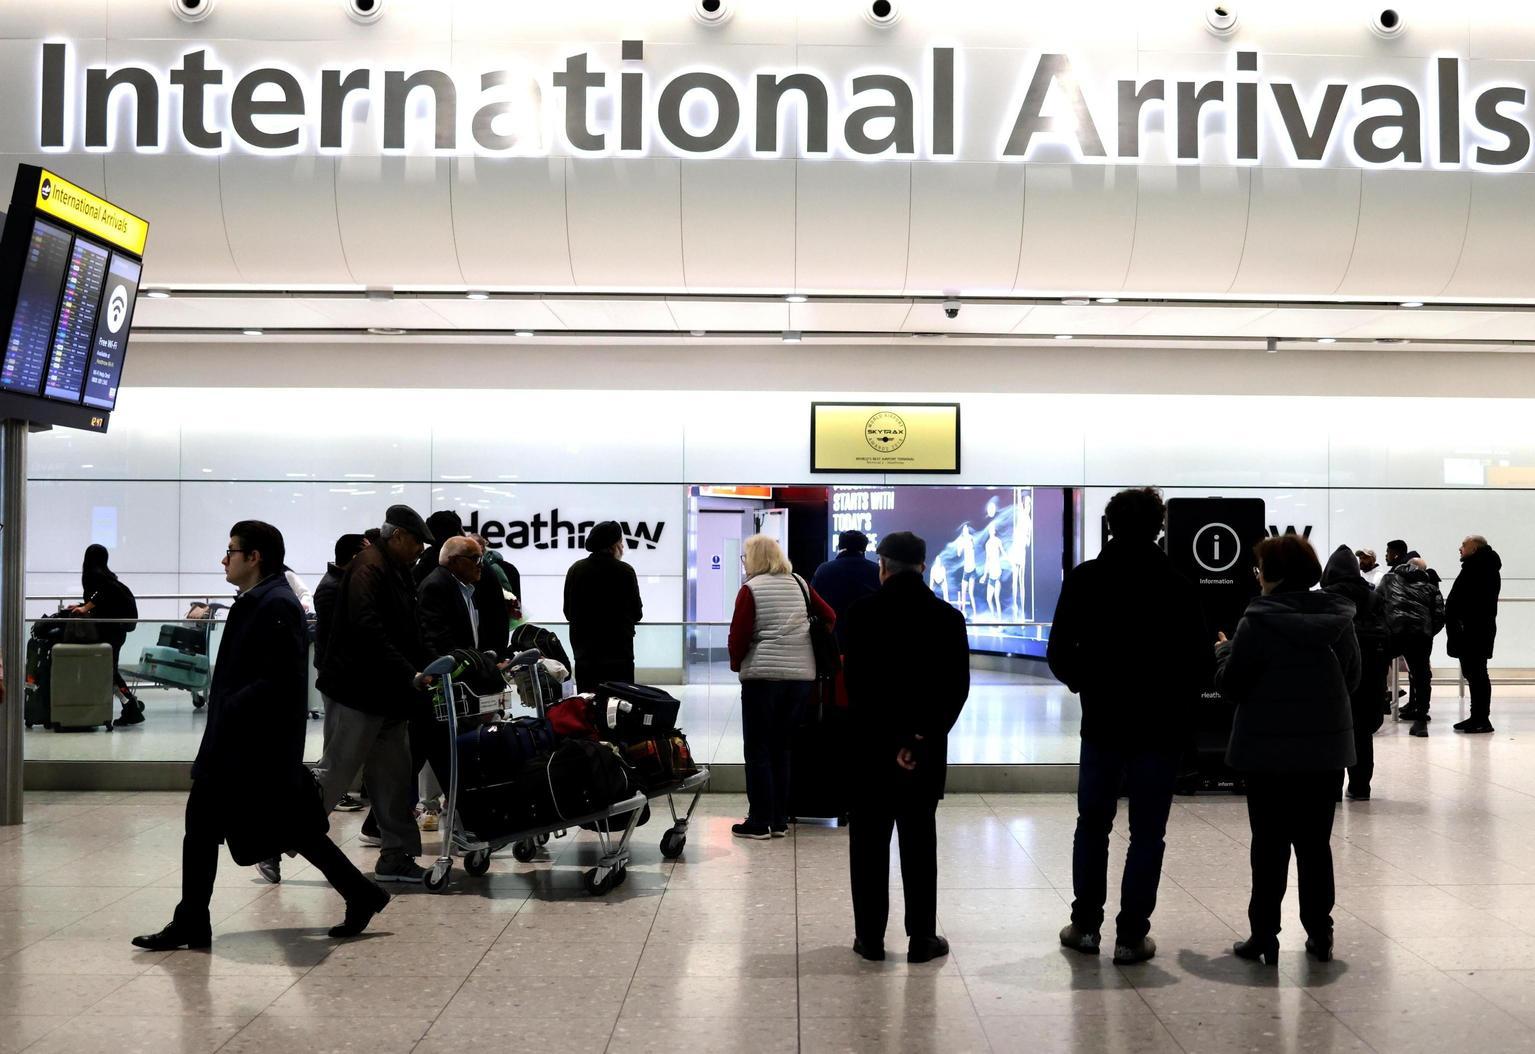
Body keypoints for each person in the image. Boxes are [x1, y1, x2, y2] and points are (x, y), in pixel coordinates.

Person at [131, 521, 389, 951]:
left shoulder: (275, 604)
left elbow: (280, 680)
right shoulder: (258, 600)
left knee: (280, 829)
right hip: (241, 745)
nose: (224, 558)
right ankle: (194, 919)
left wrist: (231, 709)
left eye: (231, 550)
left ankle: (359, 894)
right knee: (245, 828)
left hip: (249, 749)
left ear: (254, 557)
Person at [1049, 487, 1211, 966]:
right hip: (1160, 729)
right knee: (1147, 833)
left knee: (1092, 826)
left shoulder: (1085, 580)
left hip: (1102, 725)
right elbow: (1201, 664)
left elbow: (1059, 652)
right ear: (1159, 528)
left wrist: (1088, 682)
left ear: (1110, 525)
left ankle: (1084, 926)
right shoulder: (1179, 586)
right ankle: (1131, 935)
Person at [273, 504, 435, 886]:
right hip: (358, 691)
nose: (420, 550)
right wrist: (408, 671)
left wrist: (426, 664)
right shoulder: (369, 567)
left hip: (389, 694)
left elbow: (407, 628)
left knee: (393, 776)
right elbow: (367, 629)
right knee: (335, 774)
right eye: (416, 542)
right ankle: (273, 843)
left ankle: (395, 855)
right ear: (397, 536)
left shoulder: (395, 568)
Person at [1217, 535, 1359, 966]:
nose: (1257, 577)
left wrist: (1222, 651)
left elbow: (1232, 685)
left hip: (1267, 752)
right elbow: (1351, 679)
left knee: (1270, 845)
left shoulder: (1256, 622)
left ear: (1273, 575)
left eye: (1260, 569)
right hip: (1326, 750)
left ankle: (1265, 936)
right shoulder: (1338, 619)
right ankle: (1320, 933)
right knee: (1316, 844)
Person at [841, 531, 970, 964]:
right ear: (923, 566)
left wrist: (891, 738)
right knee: (919, 842)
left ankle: (871, 939)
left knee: (869, 844)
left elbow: (857, 687)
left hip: (870, 750)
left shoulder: (859, 615)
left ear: (883, 566)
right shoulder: (947, 618)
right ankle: (921, 939)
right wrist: (918, 738)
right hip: (923, 752)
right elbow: (956, 690)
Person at [727, 534, 835, 840]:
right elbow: (829, 617)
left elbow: (739, 635)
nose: (744, 562)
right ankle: (778, 819)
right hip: (800, 678)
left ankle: (759, 820)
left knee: (758, 748)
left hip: (763, 678)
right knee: (782, 747)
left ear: (755, 559)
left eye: (745, 556)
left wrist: (738, 664)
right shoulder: (799, 583)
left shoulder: (750, 589)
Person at [1321, 546, 1390, 800]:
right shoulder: (1373, 597)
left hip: (1335, 676)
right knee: (1362, 733)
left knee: (1333, 733)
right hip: (1370, 674)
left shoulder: (1324, 598)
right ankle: (1361, 787)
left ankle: (1332, 790)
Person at [315, 533, 368, 814]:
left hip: (340, 675)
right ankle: (329, 795)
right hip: (336, 676)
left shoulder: (341, 583)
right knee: (335, 739)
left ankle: (336, 792)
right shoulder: (332, 588)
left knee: (340, 737)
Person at [563, 520, 643, 693]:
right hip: (619, 654)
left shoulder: (576, 570)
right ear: (614, 545)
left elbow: (568, 612)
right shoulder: (625, 571)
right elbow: (637, 613)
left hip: (585, 655)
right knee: (621, 704)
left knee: (588, 705)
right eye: (621, 542)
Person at [71, 544, 144, 726]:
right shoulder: (105, 576)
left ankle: (131, 706)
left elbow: (102, 596)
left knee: (109, 671)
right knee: (109, 670)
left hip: (111, 631)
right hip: (116, 630)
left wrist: (85, 607)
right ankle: (130, 706)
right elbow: (102, 600)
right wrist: (83, 605)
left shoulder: (98, 578)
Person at [1378, 553, 1445, 737]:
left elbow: (1376, 603)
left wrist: (1385, 628)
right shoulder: (1431, 588)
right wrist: (1428, 632)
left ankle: (1376, 711)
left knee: (1378, 670)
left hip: (1393, 633)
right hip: (1420, 636)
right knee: (1422, 676)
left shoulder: (1388, 580)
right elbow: (1439, 616)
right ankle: (1420, 719)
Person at [1446, 534, 1502, 734]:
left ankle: (1482, 719)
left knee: (1477, 674)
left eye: (1463, 545)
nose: (1459, 548)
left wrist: (1461, 621)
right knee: (1473, 673)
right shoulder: (1478, 566)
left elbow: (1475, 601)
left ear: (1474, 549)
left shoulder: (1481, 568)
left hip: (1474, 631)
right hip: (1470, 630)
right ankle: (1476, 716)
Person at [809, 529, 880, 649]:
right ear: (864, 548)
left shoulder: (824, 569)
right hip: (868, 642)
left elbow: (812, 603)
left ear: (839, 546)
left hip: (833, 642)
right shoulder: (876, 570)